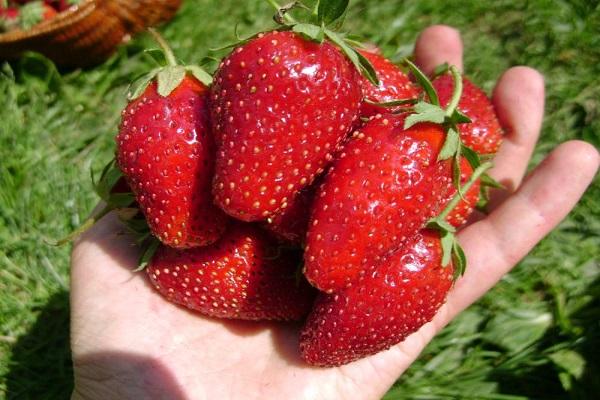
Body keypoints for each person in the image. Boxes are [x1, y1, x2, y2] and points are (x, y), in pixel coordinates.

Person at [69, 25, 599, 400]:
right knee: (265, 201)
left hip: (329, 237)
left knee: (287, 216)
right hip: (302, 239)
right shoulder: (301, 114)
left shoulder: (376, 131)